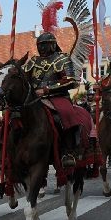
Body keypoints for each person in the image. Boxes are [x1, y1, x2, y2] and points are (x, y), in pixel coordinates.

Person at [23, 32, 81, 168]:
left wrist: (47, 89)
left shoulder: (62, 59)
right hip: (34, 98)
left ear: (53, 44)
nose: (41, 48)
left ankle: (67, 151)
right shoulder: (33, 61)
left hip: (57, 96)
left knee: (67, 114)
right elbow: (24, 79)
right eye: (39, 45)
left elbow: (70, 81)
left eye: (45, 45)